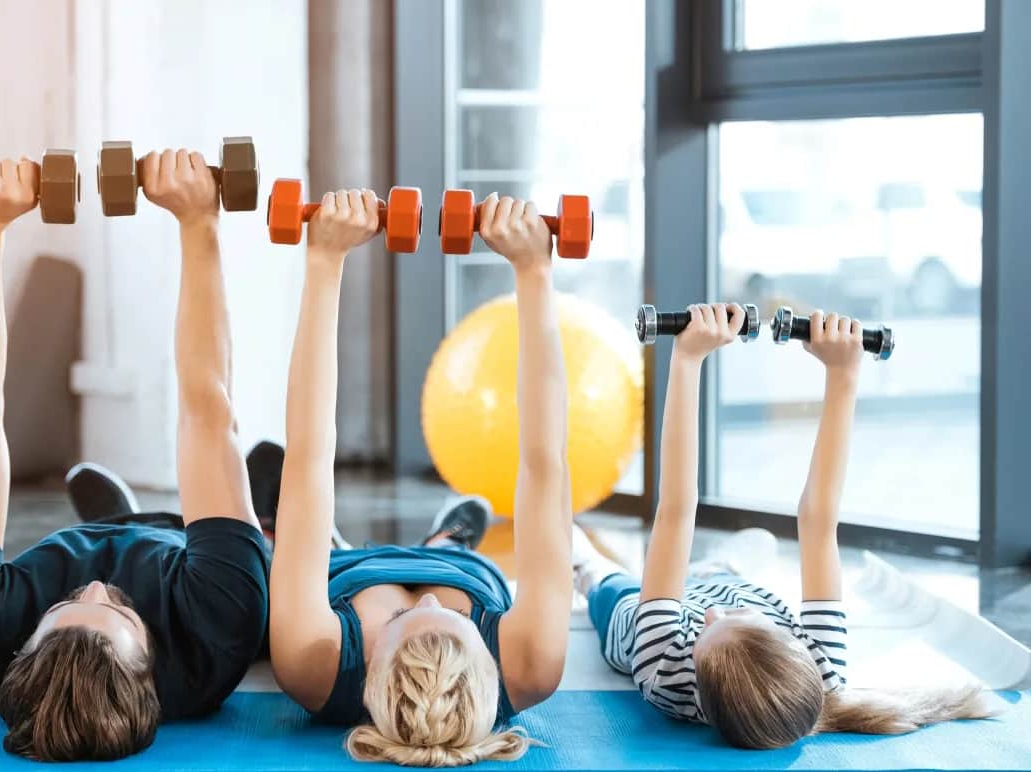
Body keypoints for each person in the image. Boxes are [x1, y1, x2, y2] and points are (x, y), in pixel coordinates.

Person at [0, 152, 269, 761]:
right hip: (184, 560)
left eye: (63, 606)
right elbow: (207, 411)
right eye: (120, 612)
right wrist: (199, 221)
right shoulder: (216, 628)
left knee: (102, 540)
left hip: (122, 546)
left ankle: (115, 519)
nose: (94, 587)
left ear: (21, 647)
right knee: (290, 568)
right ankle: (271, 518)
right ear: (154, 674)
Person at [574, 304, 998, 749]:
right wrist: (844, 373)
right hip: (732, 588)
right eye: (732, 619)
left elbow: (677, 510)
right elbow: (818, 521)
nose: (709, 616)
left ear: (697, 682)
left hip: (638, 609)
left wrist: (687, 359)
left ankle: (587, 568)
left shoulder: (661, 665)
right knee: (741, 574)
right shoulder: (823, 671)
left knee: (601, 576)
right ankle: (725, 568)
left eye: (702, 632)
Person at [267, 192, 574, 766]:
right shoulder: (530, 663)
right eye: (458, 618)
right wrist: (534, 272)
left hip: (345, 572)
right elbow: (545, 464)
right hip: (466, 569)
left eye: (402, 621)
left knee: (271, 546)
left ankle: (241, 529)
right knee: (449, 559)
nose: (430, 596)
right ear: (490, 664)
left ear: (371, 674)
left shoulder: (313, 664)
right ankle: (448, 542)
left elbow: (309, 457)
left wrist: (325, 261)